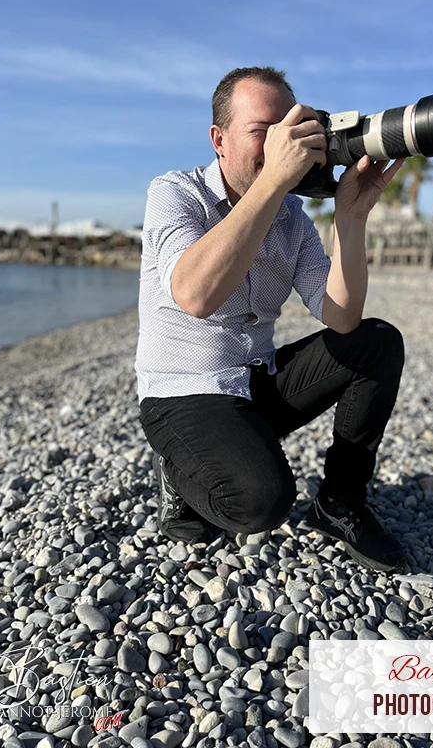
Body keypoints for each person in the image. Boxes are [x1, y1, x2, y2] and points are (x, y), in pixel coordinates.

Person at [135, 66, 407, 573]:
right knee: (261, 503)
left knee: (377, 342)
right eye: (264, 132)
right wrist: (274, 181)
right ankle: (177, 471)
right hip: (183, 392)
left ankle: (340, 504)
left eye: (290, 129)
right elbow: (195, 295)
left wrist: (350, 218)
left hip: (256, 385)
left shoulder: (292, 219)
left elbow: (341, 316)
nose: (284, 144)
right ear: (219, 139)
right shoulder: (174, 193)